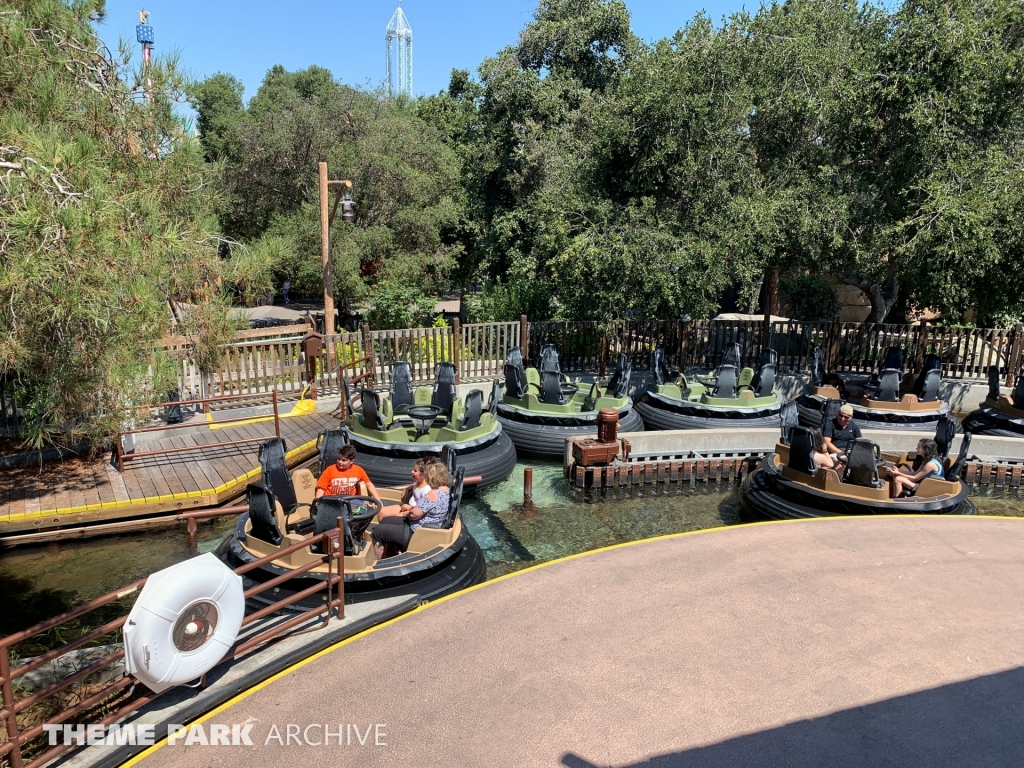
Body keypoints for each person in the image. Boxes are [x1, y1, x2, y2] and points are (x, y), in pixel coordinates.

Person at [372, 463, 451, 559]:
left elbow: (414, 514)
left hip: (415, 531)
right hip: (423, 525)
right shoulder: (447, 491)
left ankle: (379, 564)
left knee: (377, 532)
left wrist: (406, 513)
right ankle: (390, 554)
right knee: (385, 520)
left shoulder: (433, 493)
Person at [315, 445, 381, 505]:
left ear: (352, 461)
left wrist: (378, 500)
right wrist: (317, 502)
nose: (340, 462)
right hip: (332, 500)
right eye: (339, 459)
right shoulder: (330, 470)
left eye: (344, 460)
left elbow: (369, 484)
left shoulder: (358, 470)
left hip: (350, 500)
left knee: (363, 507)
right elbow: (321, 488)